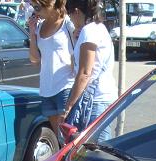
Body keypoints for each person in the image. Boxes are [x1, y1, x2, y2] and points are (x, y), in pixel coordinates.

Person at [59, 0, 118, 137]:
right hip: (101, 97)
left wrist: (67, 108)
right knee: (94, 145)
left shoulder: (89, 31)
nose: (70, 19)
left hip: (96, 100)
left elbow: (85, 73)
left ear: (76, 11)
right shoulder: (97, 28)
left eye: (69, 15)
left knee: (95, 146)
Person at [28, 0, 76, 138]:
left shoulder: (67, 24)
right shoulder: (39, 26)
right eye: (33, 8)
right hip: (46, 88)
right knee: (59, 138)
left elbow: (78, 54)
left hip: (65, 86)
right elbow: (35, 60)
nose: (35, 12)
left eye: (37, 7)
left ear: (50, 4)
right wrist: (32, 33)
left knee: (70, 136)